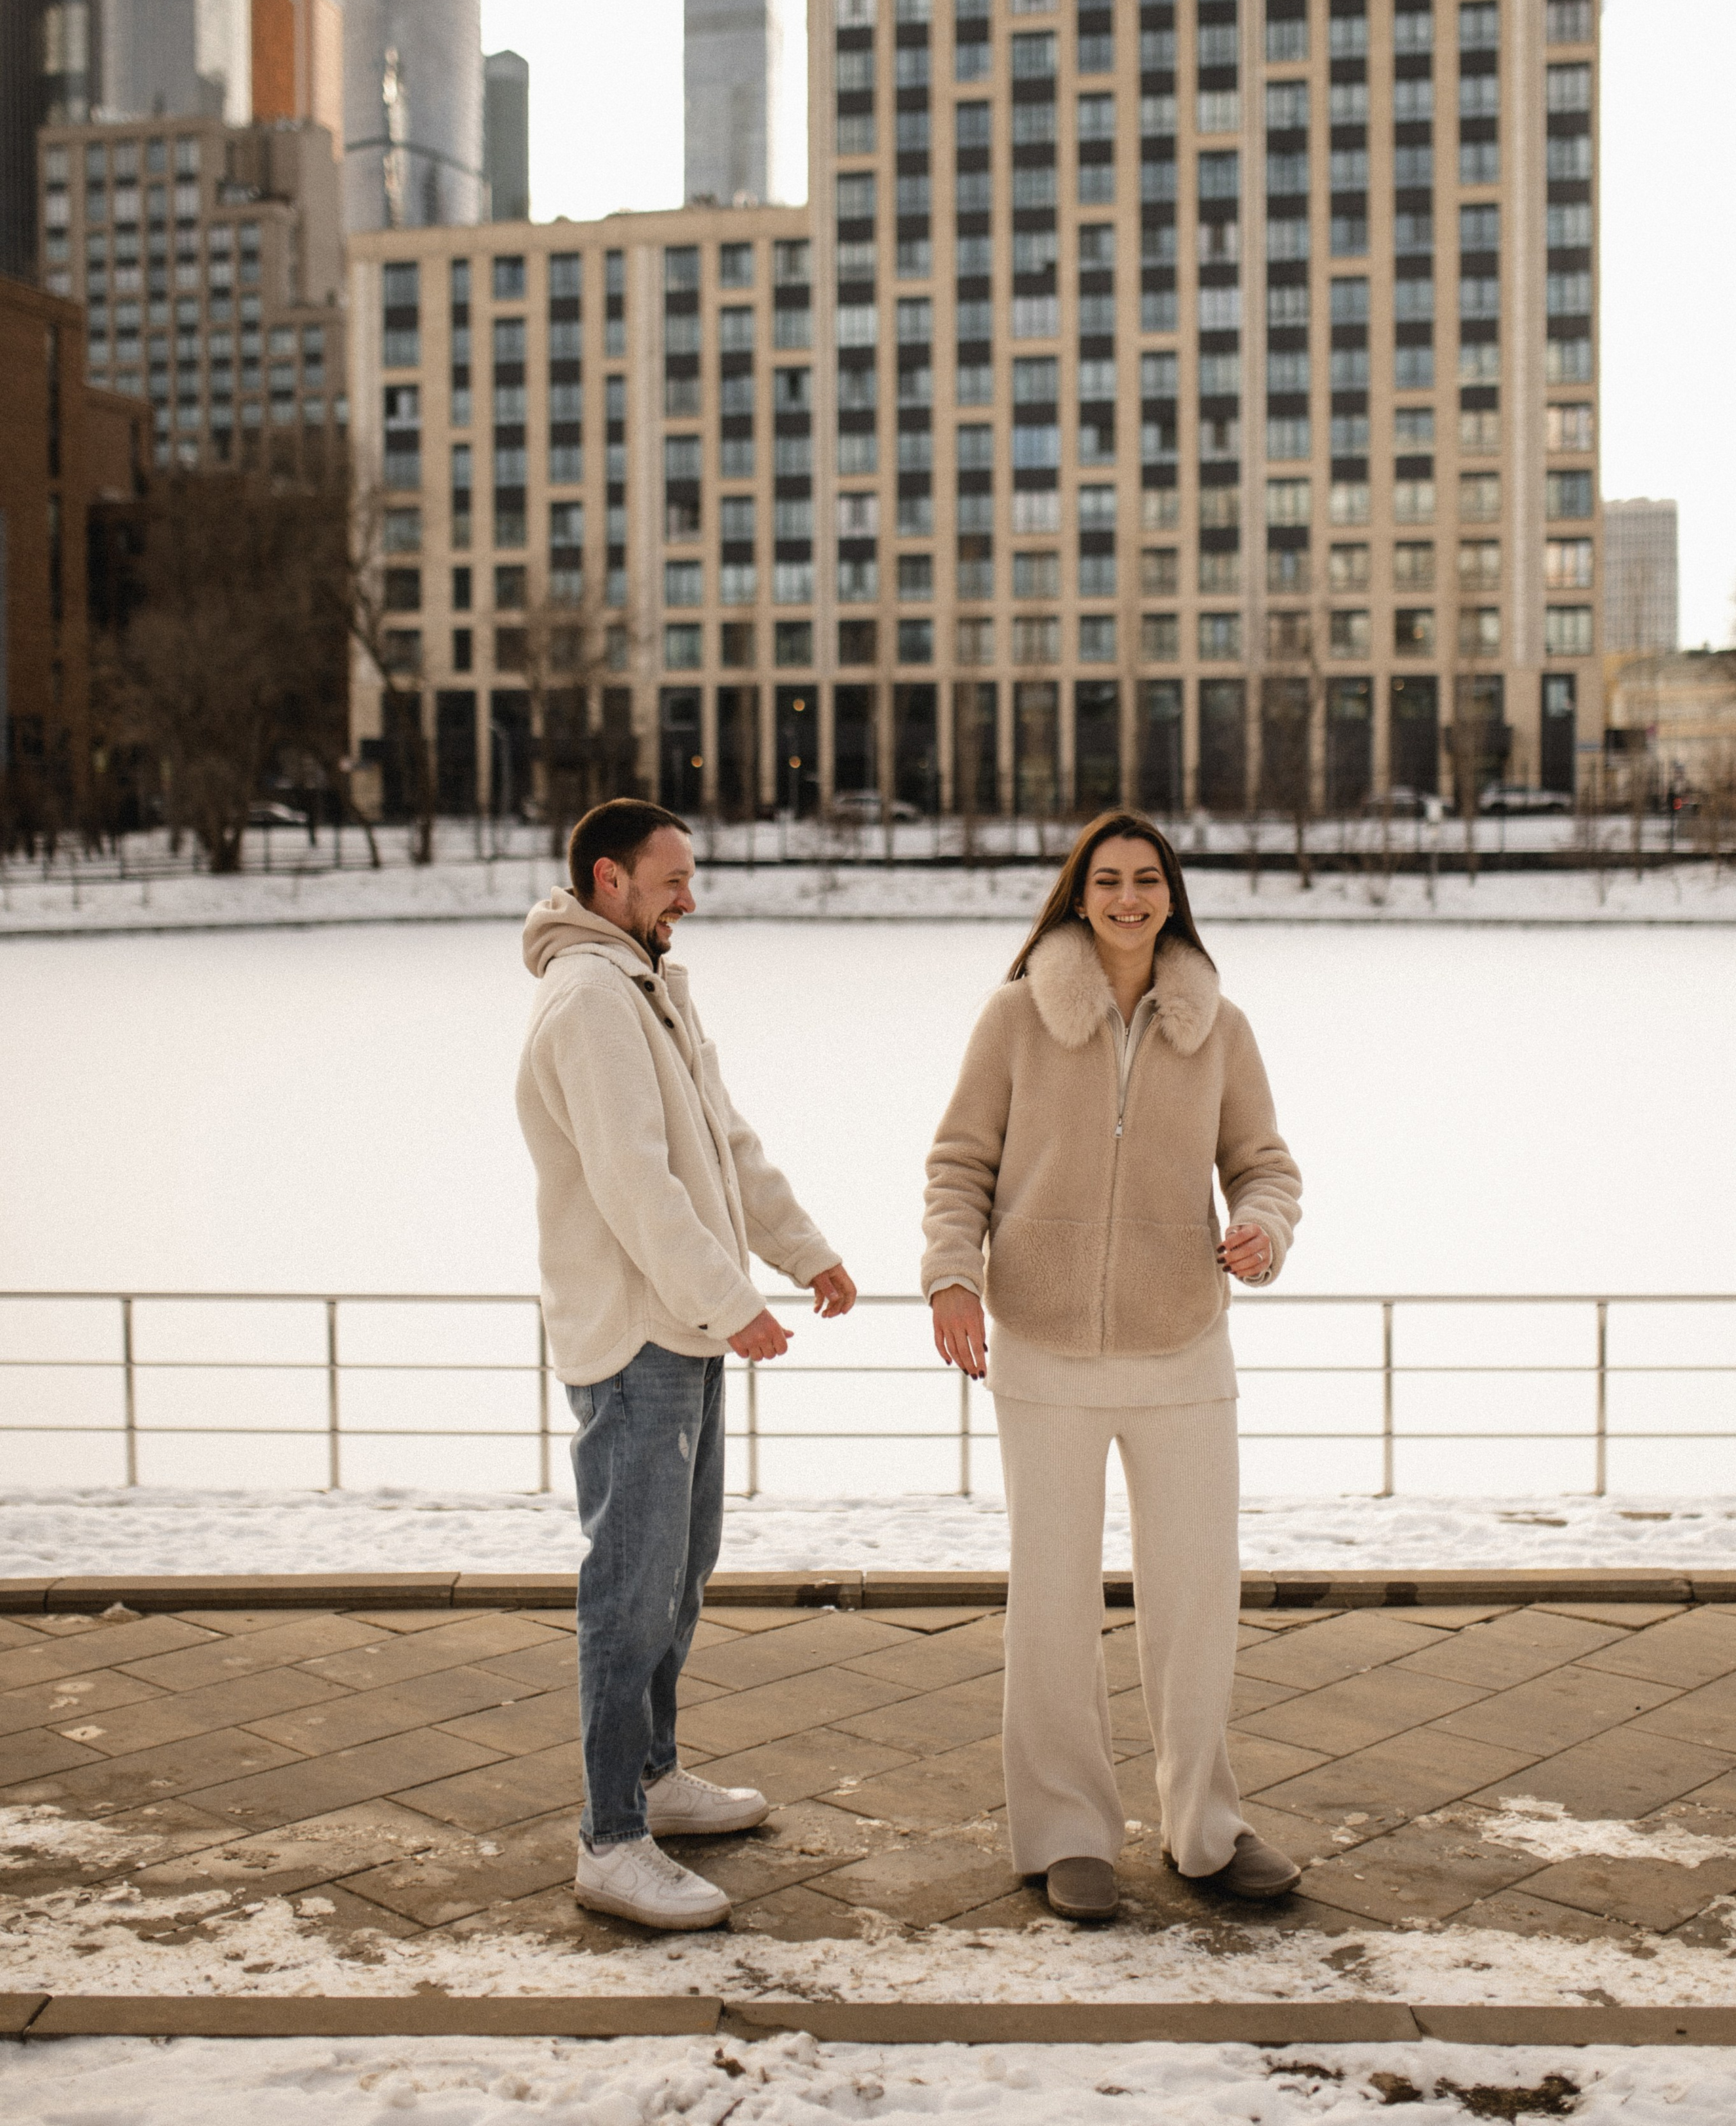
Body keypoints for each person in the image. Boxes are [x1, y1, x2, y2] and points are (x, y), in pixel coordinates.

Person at [922, 810, 1302, 1924]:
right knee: (1050, 1596)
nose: (1128, 899)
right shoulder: (1015, 1018)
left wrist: (1265, 1231)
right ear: (1078, 895)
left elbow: (1266, 1165)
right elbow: (960, 1163)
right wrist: (950, 1275)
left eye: (1147, 881)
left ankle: (1206, 1829)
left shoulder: (1218, 1026)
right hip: (1041, 1342)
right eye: (1107, 881)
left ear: (1171, 896)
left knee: (1197, 1596)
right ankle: (1065, 1832)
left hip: (1184, 1343)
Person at [518, 798, 855, 1931]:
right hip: (637, 1342)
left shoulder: (651, 987)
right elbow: (633, 1182)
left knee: (683, 1571)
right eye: (673, 879)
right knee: (628, 1591)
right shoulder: (588, 1002)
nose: (690, 896)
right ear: (610, 881)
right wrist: (733, 1303)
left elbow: (726, 1144)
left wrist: (804, 1254)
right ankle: (610, 1839)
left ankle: (655, 1779)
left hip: (686, 1333)